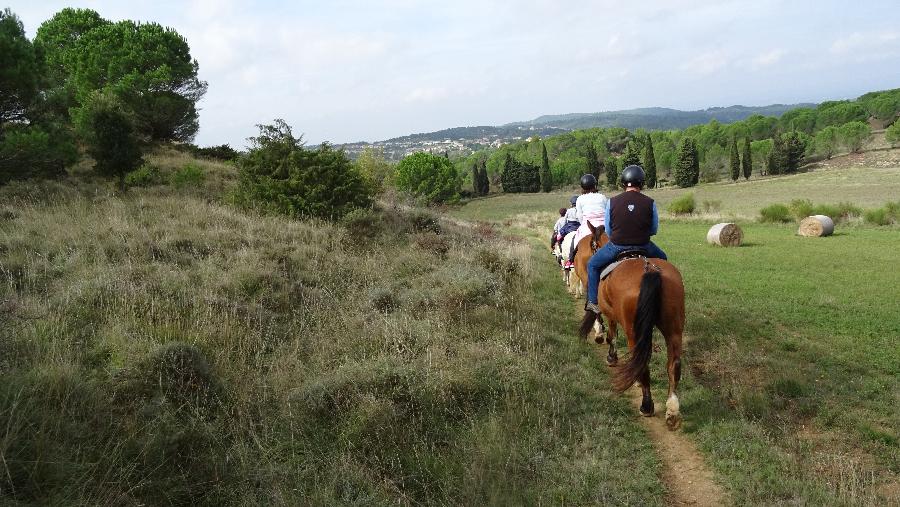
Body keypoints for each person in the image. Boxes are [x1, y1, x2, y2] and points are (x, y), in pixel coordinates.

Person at [584, 165, 667, 314]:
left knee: (592, 265)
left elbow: (608, 230)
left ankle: (593, 302)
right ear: (641, 183)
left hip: (617, 246)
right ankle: (665, 298)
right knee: (664, 259)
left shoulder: (612, 201)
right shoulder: (650, 202)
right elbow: (654, 229)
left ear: (623, 183)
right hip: (644, 245)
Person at [566, 174, 608, 269]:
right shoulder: (602, 197)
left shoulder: (580, 199)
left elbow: (580, 216)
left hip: (587, 226)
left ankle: (571, 259)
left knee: (575, 240)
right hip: (603, 226)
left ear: (582, 186)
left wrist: (583, 224)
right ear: (595, 185)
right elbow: (607, 212)